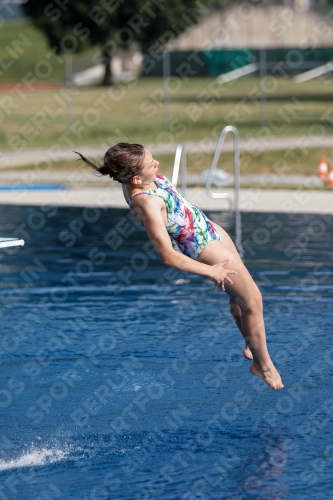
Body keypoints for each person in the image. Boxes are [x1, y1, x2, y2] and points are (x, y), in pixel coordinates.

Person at [76, 143, 283, 390]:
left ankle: (251, 344)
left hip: (209, 229)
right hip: (204, 248)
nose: (157, 164)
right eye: (151, 164)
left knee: (241, 299)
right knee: (254, 301)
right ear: (136, 178)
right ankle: (263, 365)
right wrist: (211, 270)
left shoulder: (136, 178)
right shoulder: (147, 205)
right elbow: (168, 256)